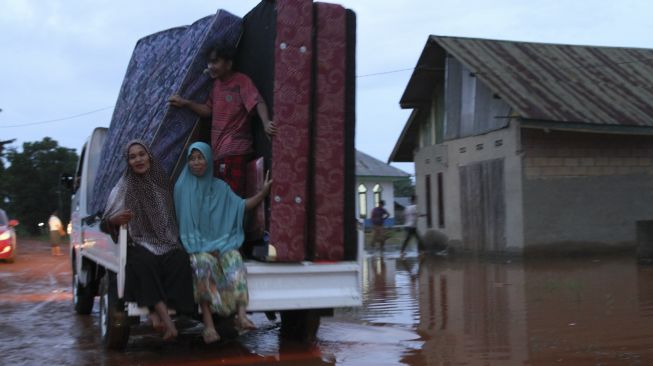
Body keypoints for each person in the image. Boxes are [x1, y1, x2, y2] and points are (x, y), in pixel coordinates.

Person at [174, 142, 272, 344]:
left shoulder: (220, 187)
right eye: (192, 158)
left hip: (222, 244)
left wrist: (262, 193)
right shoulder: (182, 187)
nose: (196, 162)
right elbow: (186, 226)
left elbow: (241, 206)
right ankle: (209, 325)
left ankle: (242, 315)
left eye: (200, 157)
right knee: (202, 264)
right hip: (197, 247)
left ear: (209, 159)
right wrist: (206, 249)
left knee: (235, 259)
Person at [101, 140, 195, 341]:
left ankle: (157, 311)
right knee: (144, 264)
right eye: (132, 157)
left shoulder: (162, 181)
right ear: (128, 162)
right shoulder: (123, 186)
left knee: (179, 260)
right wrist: (114, 220)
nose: (138, 159)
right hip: (139, 241)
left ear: (149, 156)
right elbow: (105, 222)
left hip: (166, 240)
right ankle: (168, 323)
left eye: (141, 154)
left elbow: (173, 213)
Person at [169, 45, 277, 197]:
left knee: (233, 200)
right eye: (209, 63)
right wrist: (185, 103)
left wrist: (266, 123)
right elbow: (208, 110)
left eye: (215, 62)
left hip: (236, 151)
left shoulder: (241, 81)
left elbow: (257, 101)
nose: (210, 67)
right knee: (222, 200)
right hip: (219, 154)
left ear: (229, 64)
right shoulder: (216, 85)